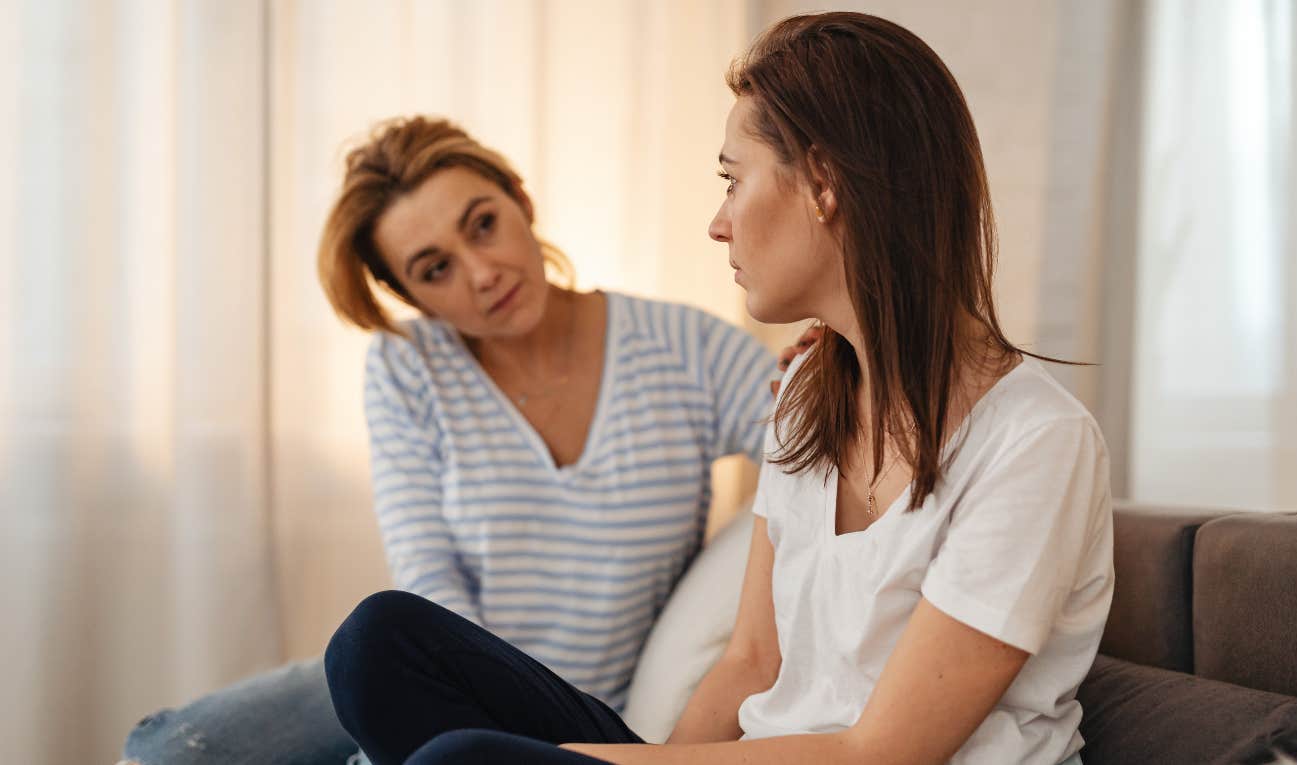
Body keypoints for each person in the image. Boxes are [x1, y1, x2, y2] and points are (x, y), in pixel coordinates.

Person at [323, 11, 1115, 765]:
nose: (718, 221)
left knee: (459, 758)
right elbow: (750, 658)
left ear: (825, 182)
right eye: (434, 269)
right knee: (375, 641)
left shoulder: (1036, 441)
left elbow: (881, 752)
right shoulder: (811, 389)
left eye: (732, 180)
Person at [122, 116, 787, 764]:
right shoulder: (409, 367)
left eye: (484, 225)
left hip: (576, 711)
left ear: (519, 200)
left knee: (413, 702)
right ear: (411, 294)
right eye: (435, 268)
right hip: (436, 676)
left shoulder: (683, 349)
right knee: (166, 749)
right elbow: (428, 581)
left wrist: (833, 365)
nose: (482, 272)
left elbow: (820, 435)